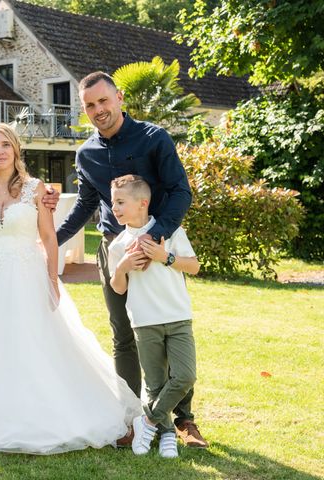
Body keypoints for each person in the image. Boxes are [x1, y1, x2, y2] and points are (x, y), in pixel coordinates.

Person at [0, 123, 141, 454]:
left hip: (27, 275)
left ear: (15, 150)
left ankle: (46, 411)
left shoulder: (36, 189)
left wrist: (52, 279)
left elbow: (49, 238)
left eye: (5, 145)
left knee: (32, 342)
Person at [55, 71, 208, 448]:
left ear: (120, 98)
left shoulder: (154, 138)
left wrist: (155, 239)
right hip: (114, 248)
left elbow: (179, 192)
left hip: (157, 247)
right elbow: (87, 205)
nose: (97, 110)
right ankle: (130, 417)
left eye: (103, 101)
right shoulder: (85, 153)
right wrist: (52, 240)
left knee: (167, 327)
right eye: (89, 105)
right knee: (124, 336)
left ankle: (183, 420)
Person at [108, 175, 200, 458]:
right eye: (113, 203)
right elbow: (118, 287)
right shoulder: (118, 245)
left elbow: (194, 266)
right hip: (144, 321)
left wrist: (165, 257)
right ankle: (167, 435)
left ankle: (146, 420)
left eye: (121, 202)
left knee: (185, 375)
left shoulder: (169, 232)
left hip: (178, 316)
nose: (115, 208)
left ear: (142, 203)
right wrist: (122, 267)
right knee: (156, 383)